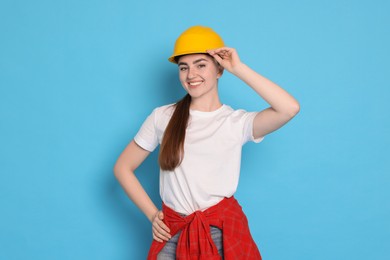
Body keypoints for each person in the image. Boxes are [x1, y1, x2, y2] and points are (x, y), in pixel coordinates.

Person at [114, 25, 300, 259]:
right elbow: (122, 168)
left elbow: (289, 108)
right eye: (184, 67)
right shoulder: (162, 117)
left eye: (201, 65)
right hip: (173, 232)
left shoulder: (236, 122)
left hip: (220, 234)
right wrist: (153, 215)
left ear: (219, 70)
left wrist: (238, 68)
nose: (191, 75)